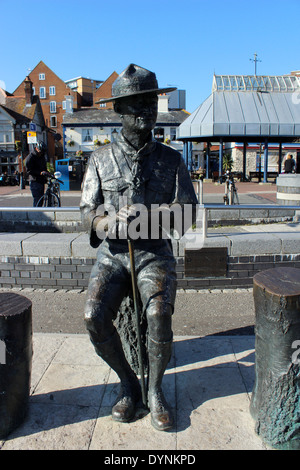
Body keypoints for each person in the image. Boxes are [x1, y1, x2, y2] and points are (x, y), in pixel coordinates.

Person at [80, 64, 198, 431]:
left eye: (151, 101)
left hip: (153, 254)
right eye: (136, 103)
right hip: (113, 256)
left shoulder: (172, 159)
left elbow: (188, 212)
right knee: (93, 316)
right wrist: (105, 222)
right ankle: (129, 383)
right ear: (119, 111)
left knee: (159, 314)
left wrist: (151, 217)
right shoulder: (99, 160)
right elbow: (87, 210)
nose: (147, 109)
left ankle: (156, 389)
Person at [25, 141, 48, 206]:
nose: (42, 153)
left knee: (41, 199)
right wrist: (40, 172)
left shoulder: (42, 156)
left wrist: (47, 173)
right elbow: (29, 170)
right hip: (34, 181)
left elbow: (44, 167)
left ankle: (39, 213)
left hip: (41, 180)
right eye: (41, 152)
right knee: (37, 200)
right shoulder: (30, 158)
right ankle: (35, 214)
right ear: (37, 149)